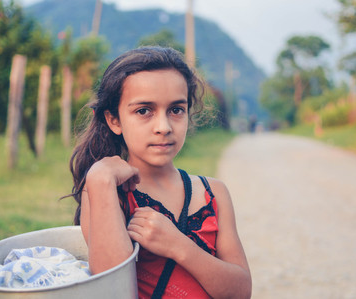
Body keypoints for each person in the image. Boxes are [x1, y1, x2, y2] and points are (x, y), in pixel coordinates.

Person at [68, 46, 251, 298]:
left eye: (176, 110)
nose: (163, 127)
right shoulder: (108, 192)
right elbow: (112, 291)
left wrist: (178, 246)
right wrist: (99, 177)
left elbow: (240, 291)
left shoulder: (214, 193)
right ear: (114, 120)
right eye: (144, 111)